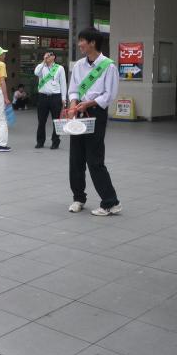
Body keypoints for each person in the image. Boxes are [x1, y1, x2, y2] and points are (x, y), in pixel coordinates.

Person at [67, 28, 122, 216]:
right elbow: (73, 89)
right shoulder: (79, 65)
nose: (79, 44)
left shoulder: (108, 66)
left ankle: (110, 202)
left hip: (96, 113)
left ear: (92, 43)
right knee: (76, 159)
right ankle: (78, 198)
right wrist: (74, 104)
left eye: (82, 40)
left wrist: (89, 103)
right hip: (79, 113)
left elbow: (110, 95)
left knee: (95, 160)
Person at [34, 51, 67, 149]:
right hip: (42, 96)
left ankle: (55, 141)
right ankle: (40, 141)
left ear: (54, 57)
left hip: (55, 97)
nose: (48, 56)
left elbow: (63, 83)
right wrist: (43, 61)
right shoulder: (41, 67)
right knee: (41, 121)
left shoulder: (59, 68)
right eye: (47, 55)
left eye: (50, 55)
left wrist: (64, 98)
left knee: (56, 121)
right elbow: (36, 72)